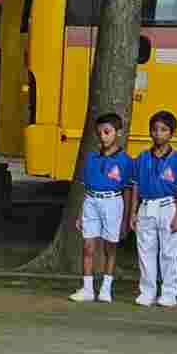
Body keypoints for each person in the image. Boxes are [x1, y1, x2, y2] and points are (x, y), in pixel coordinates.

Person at [70, 113, 134, 303]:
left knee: (110, 247)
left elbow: (127, 190)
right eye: (100, 133)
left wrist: (125, 218)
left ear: (118, 133)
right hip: (91, 201)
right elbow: (85, 187)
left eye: (107, 132)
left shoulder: (125, 160)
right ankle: (88, 288)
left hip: (113, 202)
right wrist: (81, 213)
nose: (103, 137)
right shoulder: (91, 158)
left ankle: (106, 288)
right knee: (88, 246)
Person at [131, 110, 177, 308]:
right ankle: (147, 291)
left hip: (167, 206)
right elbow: (136, 186)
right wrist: (133, 212)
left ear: (171, 133)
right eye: (154, 129)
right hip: (146, 207)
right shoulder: (142, 158)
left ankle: (169, 292)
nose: (158, 134)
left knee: (169, 252)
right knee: (145, 251)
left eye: (163, 130)